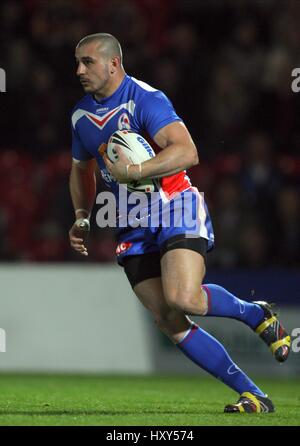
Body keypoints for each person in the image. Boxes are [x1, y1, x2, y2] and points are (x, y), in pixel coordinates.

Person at [69, 33, 291, 414]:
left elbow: (187, 151)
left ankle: (255, 313)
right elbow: (81, 169)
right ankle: (254, 394)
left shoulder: (146, 99)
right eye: (77, 62)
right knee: (169, 319)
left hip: (175, 207)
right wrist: (81, 216)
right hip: (129, 223)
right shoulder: (79, 117)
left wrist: (135, 169)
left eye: (87, 62)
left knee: (183, 298)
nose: (79, 70)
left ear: (113, 64)